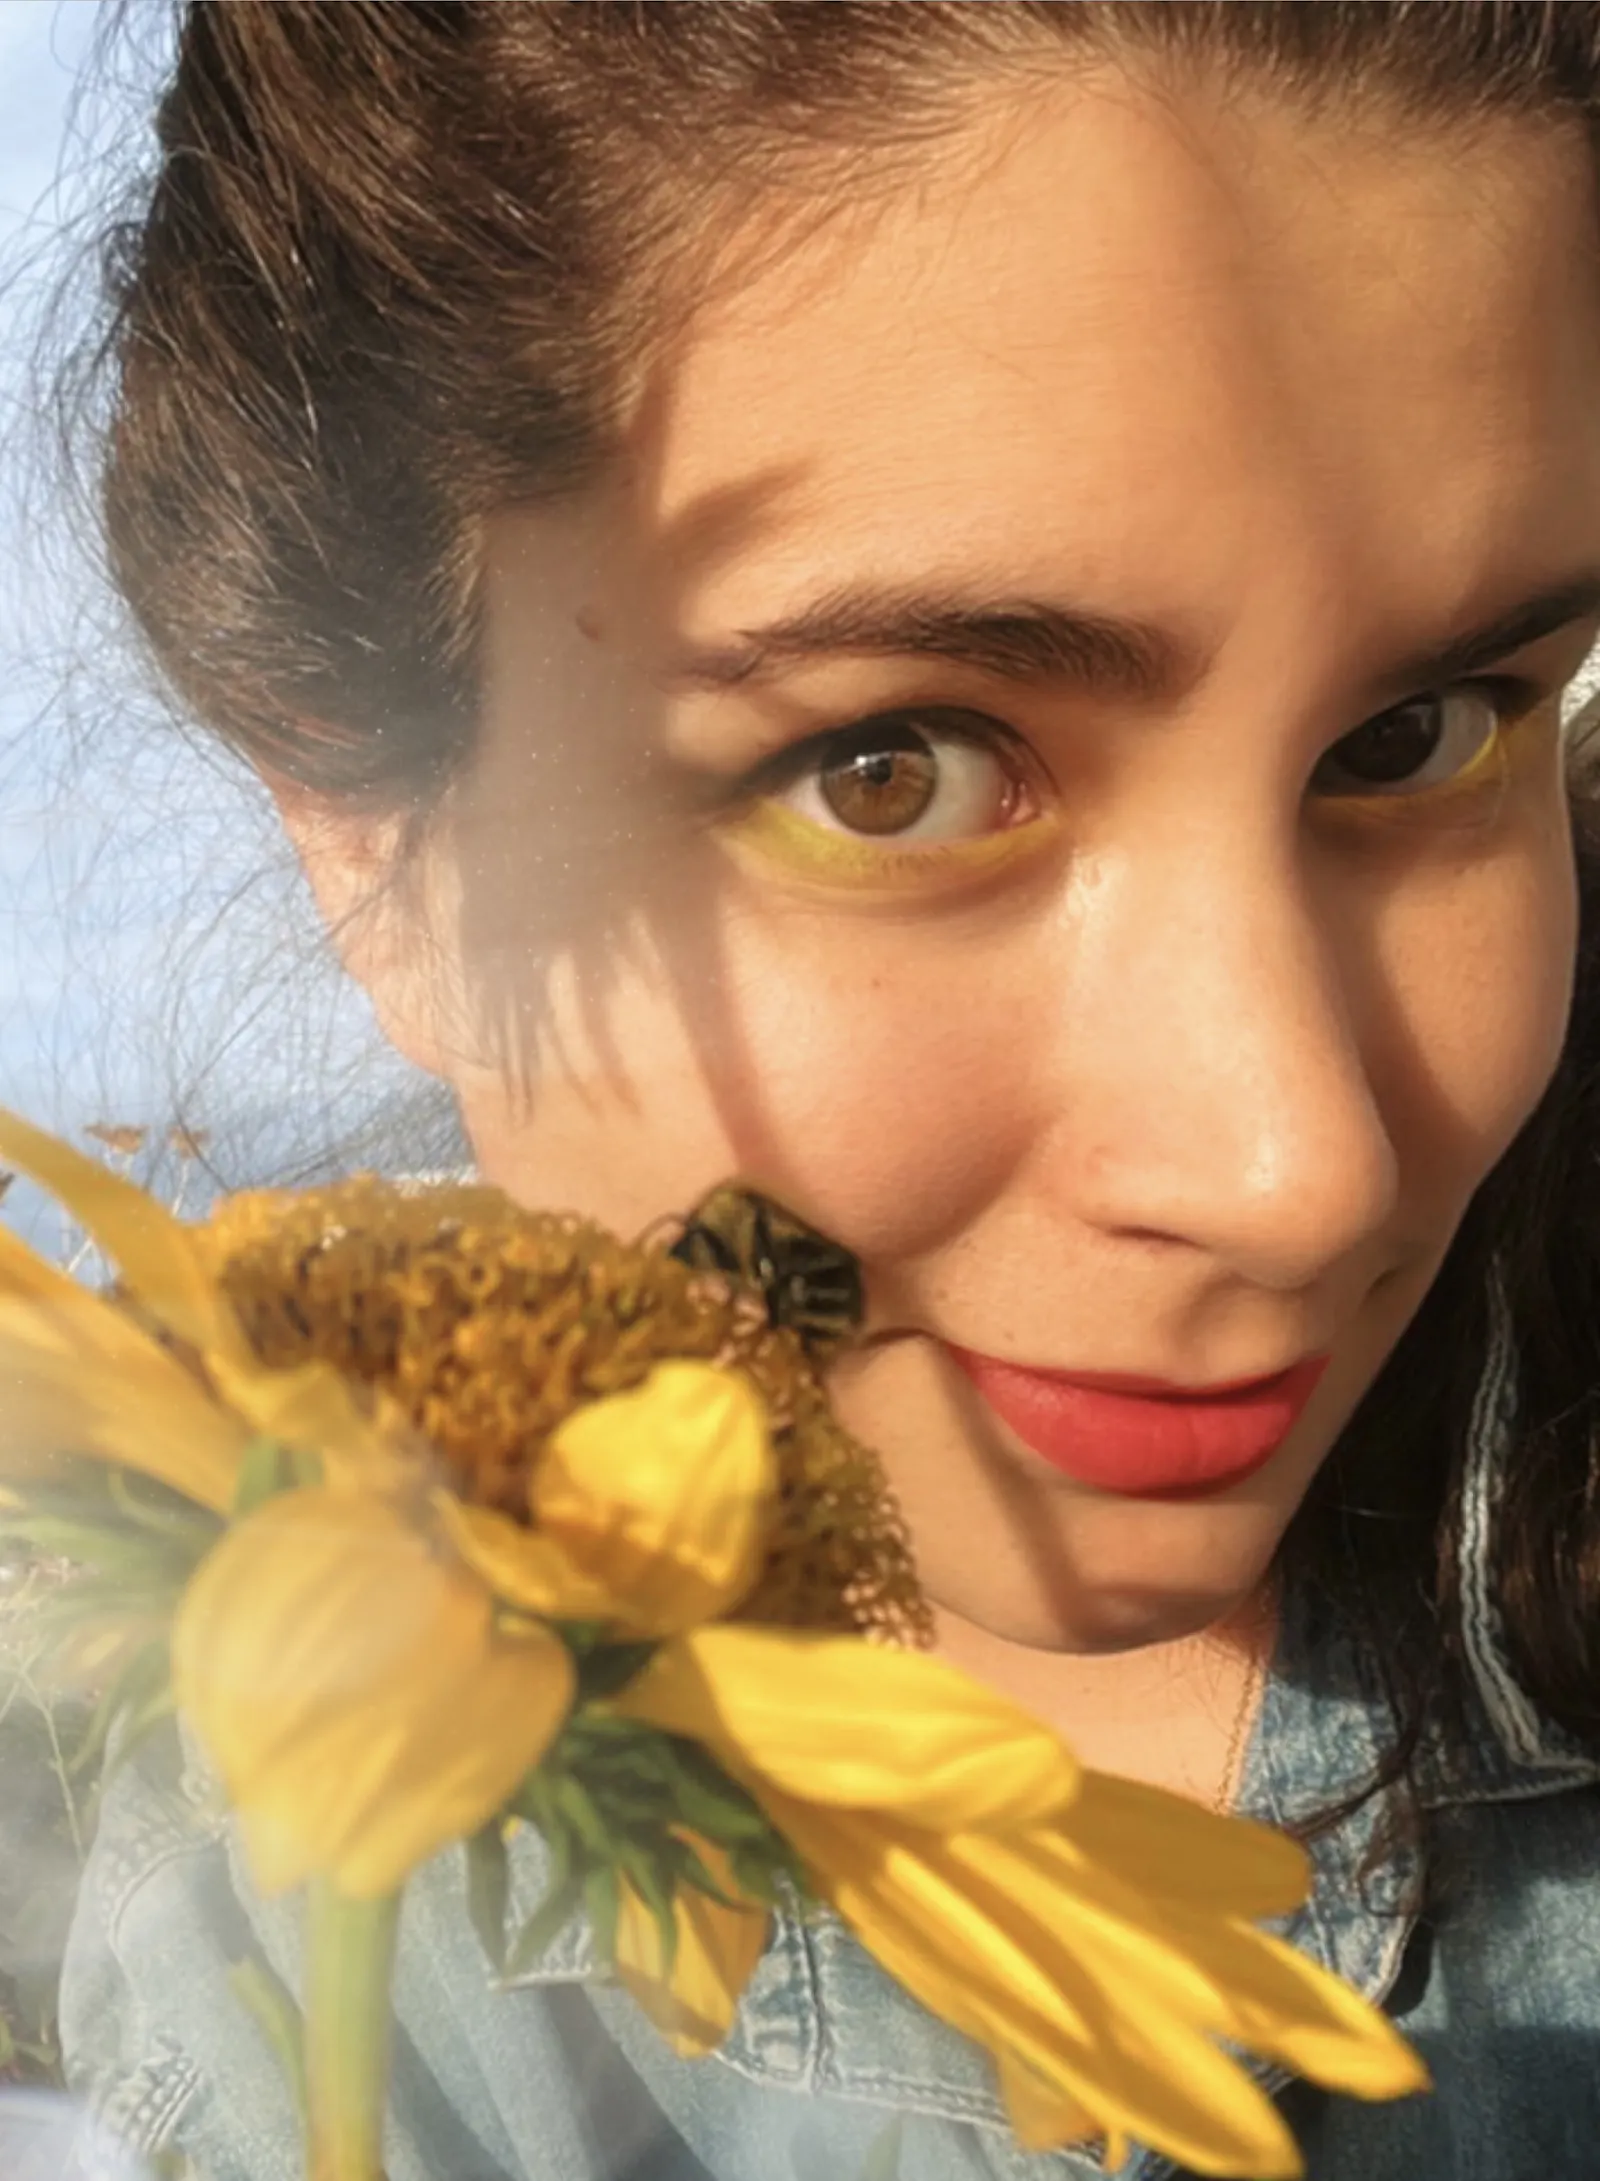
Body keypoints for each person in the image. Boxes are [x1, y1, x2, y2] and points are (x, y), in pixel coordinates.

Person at [54, 2, 1600, 2175]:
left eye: (1418, 735)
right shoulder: (313, 1927)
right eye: (893, 772)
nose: (1298, 1169)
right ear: (381, 853)